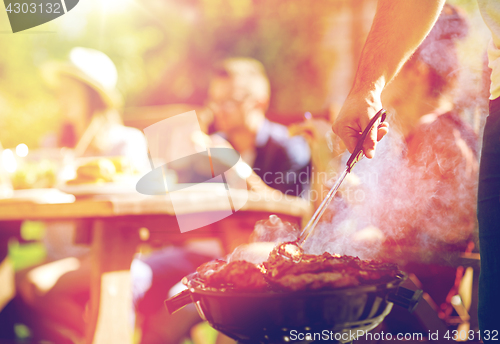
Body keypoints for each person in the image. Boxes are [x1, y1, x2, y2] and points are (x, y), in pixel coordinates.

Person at [331, 0, 500, 336]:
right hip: (408, 284)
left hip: (416, 297)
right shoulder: (433, 132)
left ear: (418, 70)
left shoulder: (440, 138)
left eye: (398, 66)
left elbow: (393, 226)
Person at [133, 57, 312, 344]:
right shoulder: (211, 144)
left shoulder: (288, 149)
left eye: (229, 100)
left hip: (251, 259)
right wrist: (176, 163)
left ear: (259, 102)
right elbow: (181, 207)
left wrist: (236, 167)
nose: (219, 109)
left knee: (173, 309)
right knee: (132, 278)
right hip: (198, 251)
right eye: (215, 101)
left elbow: (291, 221)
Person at [12, 47, 149, 343]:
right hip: (59, 253)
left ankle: (94, 337)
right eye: (59, 91)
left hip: (104, 252)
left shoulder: (124, 143)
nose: (60, 98)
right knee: (11, 283)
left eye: (69, 91)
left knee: (34, 285)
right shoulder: (52, 145)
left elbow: (138, 197)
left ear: (92, 96)